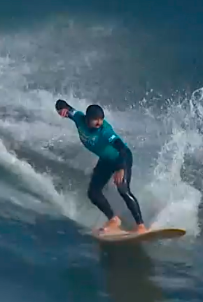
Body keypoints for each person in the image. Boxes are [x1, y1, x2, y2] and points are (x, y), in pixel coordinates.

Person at [55, 99, 148, 234]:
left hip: (121, 158)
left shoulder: (105, 131)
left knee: (123, 189)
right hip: (105, 160)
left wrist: (121, 168)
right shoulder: (79, 118)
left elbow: (122, 148)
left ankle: (141, 226)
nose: (99, 122)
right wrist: (61, 110)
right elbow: (62, 104)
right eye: (96, 120)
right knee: (93, 193)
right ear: (87, 119)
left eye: (101, 119)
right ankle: (114, 220)